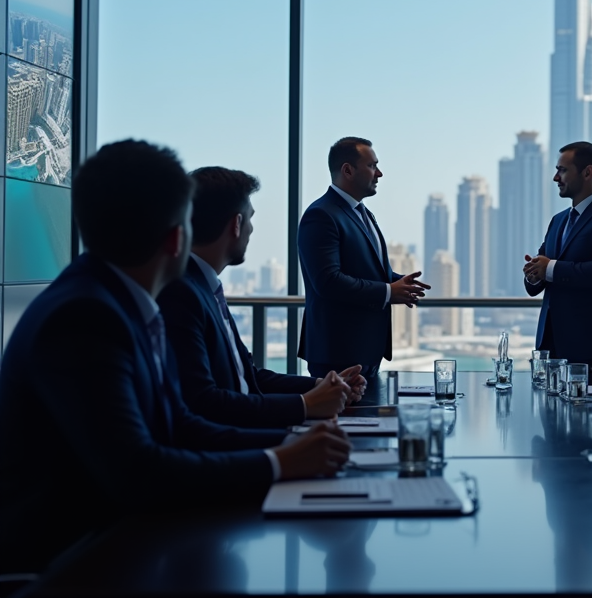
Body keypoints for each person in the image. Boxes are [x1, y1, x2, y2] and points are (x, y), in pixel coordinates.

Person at [0, 141, 350, 575]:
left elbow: (178, 424)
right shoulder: (85, 318)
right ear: (177, 236)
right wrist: (280, 461)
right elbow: (140, 472)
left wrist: (288, 444)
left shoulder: (116, 302)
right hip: (69, 566)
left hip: (120, 540)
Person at [159, 166, 367, 430]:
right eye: (250, 219)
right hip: (236, 445)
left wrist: (322, 385)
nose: (252, 229)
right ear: (236, 224)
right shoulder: (184, 294)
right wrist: (306, 405)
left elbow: (247, 377)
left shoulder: (202, 285)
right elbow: (204, 402)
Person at [297, 137, 430, 379]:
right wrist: (389, 291)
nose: (379, 173)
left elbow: (371, 271)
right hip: (336, 353)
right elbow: (328, 282)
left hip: (366, 351)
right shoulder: (321, 215)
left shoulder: (363, 213)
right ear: (348, 170)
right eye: (372, 166)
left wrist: (401, 282)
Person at [523, 141, 592, 375]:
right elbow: (540, 273)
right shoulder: (558, 220)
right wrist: (533, 274)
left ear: (587, 172)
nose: (555, 177)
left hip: (591, 347)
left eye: (562, 170)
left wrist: (549, 268)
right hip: (549, 347)